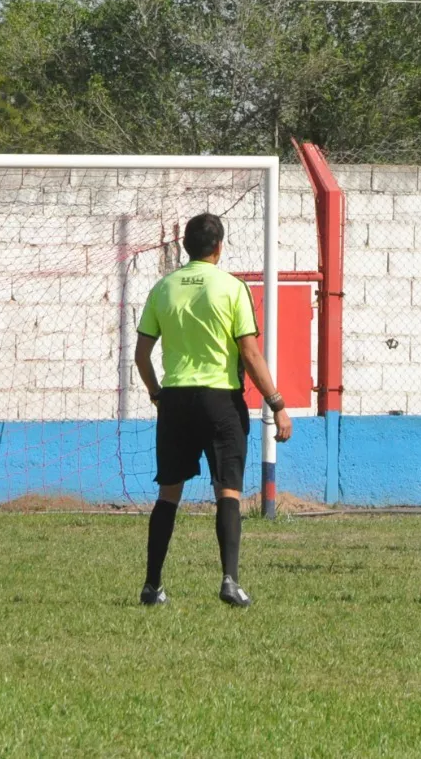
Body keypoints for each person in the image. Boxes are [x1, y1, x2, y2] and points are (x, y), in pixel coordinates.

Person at [134, 213, 293, 608]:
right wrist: (277, 403)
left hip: (175, 400)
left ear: (184, 246)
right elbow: (250, 354)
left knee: (168, 494)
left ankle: (152, 585)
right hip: (220, 400)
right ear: (219, 246)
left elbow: (141, 355)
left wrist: (157, 394)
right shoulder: (233, 288)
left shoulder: (163, 287)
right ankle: (230, 581)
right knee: (228, 490)